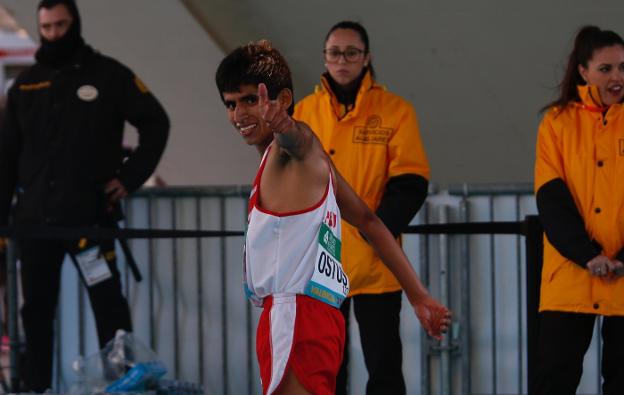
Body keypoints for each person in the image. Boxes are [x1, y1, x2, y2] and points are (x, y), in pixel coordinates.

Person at [215, 40, 450, 395]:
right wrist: (419, 297)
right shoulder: (311, 162)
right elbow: (370, 223)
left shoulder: (299, 145)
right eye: (231, 104)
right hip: (312, 317)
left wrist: (284, 126)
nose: (239, 115)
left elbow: (295, 137)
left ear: (284, 100)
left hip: (296, 318)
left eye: (251, 100)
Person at [0, 0, 169, 391]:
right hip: (34, 226)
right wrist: (3, 223)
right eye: (47, 27)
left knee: (110, 308)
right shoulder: (25, 84)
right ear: (40, 28)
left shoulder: (109, 75)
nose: (55, 34)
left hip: (90, 218)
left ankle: (124, 385)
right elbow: (6, 160)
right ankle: (35, 389)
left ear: (75, 23)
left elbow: (156, 122)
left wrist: (129, 178)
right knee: (35, 314)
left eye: (61, 25)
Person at [293, 21, 430, 394]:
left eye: (352, 53)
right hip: (320, 260)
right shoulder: (304, 112)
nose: (343, 60)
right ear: (324, 57)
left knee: (383, 364)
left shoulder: (395, 110)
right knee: (326, 365)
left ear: (367, 58)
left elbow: (411, 181)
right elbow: (291, 181)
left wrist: (378, 230)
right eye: (335, 52)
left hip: (375, 262)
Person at [533, 25, 624, 395]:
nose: (617, 77)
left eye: (622, 67)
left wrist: (621, 259)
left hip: (623, 273)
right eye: (606, 69)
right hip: (569, 276)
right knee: (554, 378)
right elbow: (551, 199)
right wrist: (588, 256)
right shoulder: (557, 123)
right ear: (583, 71)